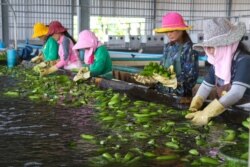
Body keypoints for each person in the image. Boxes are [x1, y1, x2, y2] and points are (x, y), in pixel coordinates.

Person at [185, 18, 250, 126]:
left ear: (227, 45)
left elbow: (236, 93)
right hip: (229, 109)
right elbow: (205, 87)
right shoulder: (218, 64)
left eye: (212, 47)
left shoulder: (244, 61)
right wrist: (195, 104)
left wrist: (207, 112)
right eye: (207, 48)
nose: (209, 51)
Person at [154, 12, 199, 97]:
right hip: (162, 93)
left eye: (172, 30)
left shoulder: (190, 49)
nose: (169, 34)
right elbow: (162, 68)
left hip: (180, 97)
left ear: (181, 29)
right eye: (167, 31)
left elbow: (190, 79)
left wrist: (171, 85)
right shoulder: (167, 47)